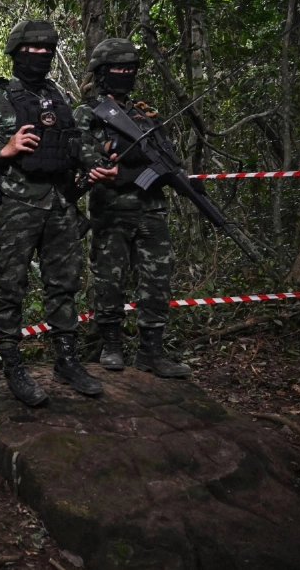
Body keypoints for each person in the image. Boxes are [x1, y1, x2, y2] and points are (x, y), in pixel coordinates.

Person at [0, 20, 118, 406]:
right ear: (15, 53)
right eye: (33, 49)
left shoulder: (57, 97)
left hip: (61, 204)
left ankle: (66, 360)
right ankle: (13, 365)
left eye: (47, 49)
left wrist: (97, 165)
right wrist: (2, 149)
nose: (41, 55)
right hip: (18, 208)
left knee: (64, 286)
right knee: (10, 288)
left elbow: (73, 144)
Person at [73, 38, 191, 378]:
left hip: (152, 209)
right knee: (109, 278)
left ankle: (151, 351)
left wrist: (185, 180)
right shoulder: (88, 113)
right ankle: (111, 344)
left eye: (129, 68)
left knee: (157, 279)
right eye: (116, 69)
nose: (124, 74)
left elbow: (169, 157)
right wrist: (114, 168)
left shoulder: (146, 113)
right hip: (111, 208)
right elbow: (82, 154)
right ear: (100, 73)